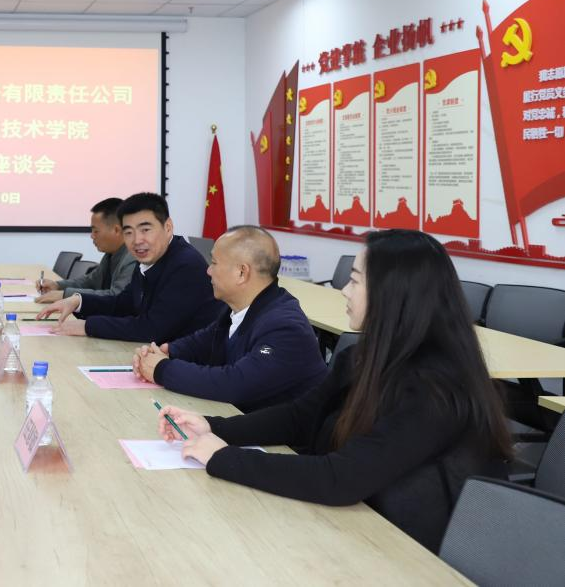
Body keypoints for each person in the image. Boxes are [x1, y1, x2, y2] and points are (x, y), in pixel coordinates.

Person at [158, 229, 512, 553]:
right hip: (354, 525)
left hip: (409, 551)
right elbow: (299, 418)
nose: (344, 289)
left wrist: (223, 457)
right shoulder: (362, 357)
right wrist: (213, 426)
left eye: (355, 280)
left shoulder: (435, 390)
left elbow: (341, 478)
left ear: (392, 294)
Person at [133, 226, 326, 412]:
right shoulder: (241, 308)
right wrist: (166, 352)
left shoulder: (285, 327)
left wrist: (162, 369)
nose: (208, 271)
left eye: (214, 263)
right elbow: (204, 341)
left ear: (242, 273)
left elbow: (235, 384)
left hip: (288, 435)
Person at [35, 192, 221, 341]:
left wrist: (87, 326)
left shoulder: (185, 265)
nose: (137, 240)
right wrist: (78, 301)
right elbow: (124, 303)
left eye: (145, 230)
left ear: (168, 227)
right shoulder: (149, 258)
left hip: (191, 364)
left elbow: (151, 329)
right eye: (129, 232)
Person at [35, 197, 137, 304]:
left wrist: (65, 295)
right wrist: (58, 285)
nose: (92, 236)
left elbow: (117, 296)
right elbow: (90, 281)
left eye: (96, 231)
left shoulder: (133, 258)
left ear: (116, 230)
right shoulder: (111, 254)